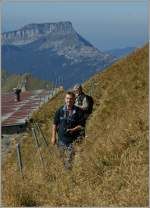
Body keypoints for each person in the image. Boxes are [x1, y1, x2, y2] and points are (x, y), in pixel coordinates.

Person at [51, 91, 85, 169]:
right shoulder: (60, 111)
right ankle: (63, 171)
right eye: (67, 98)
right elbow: (54, 124)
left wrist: (73, 129)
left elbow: (82, 125)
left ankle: (68, 174)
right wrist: (53, 137)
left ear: (74, 100)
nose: (68, 100)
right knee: (61, 158)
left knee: (70, 159)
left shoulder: (79, 111)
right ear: (65, 99)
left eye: (71, 99)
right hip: (61, 139)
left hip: (73, 140)